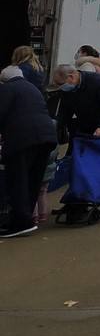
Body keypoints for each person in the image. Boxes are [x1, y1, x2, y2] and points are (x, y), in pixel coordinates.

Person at [0, 65, 58, 237]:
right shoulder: (32, 88)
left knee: (18, 179)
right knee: (33, 179)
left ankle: (20, 222)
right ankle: (27, 220)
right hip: (46, 137)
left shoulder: (8, 89)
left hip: (23, 139)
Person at [51, 64, 100, 138]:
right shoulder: (68, 89)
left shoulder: (99, 82)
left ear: (71, 77)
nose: (59, 87)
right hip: (85, 127)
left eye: (60, 84)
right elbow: (65, 110)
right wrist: (57, 125)